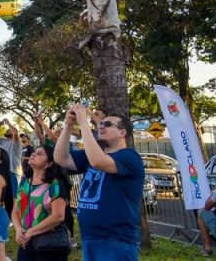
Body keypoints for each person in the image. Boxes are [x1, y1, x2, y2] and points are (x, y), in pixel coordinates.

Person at [54, 104, 144, 261]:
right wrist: (68, 125)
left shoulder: (130, 157)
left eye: (108, 124)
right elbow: (61, 158)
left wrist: (83, 123)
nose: (102, 126)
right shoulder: (94, 154)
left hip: (117, 240)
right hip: (90, 237)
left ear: (122, 133)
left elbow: (97, 162)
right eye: (101, 124)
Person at [10, 145, 69, 260]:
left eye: (39, 154)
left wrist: (30, 232)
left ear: (49, 163)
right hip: (25, 243)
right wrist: (18, 229)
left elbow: (58, 216)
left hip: (49, 246)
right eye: (34, 152)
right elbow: (15, 211)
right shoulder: (24, 183)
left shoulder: (55, 184)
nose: (33, 154)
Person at [0, 119, 23, 190]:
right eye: (7, 130)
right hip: (3, 171)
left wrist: (8, 122)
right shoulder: (3, 140)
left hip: (13, 172)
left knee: (13, 196)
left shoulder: (16, 142)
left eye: (10, 130)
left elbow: (15, 134)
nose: (8, 130)